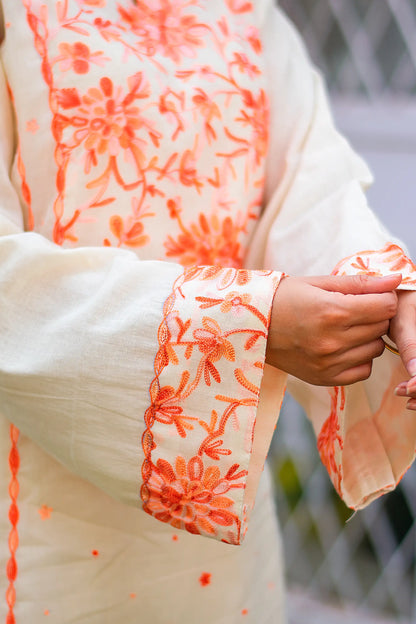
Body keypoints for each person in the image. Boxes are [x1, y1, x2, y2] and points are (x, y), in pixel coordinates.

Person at [1, 1, 416, 622]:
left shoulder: (248, 17)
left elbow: (312, 184)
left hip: (222, 524)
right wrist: (249, 324)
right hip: (32, 513)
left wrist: (390, 297)